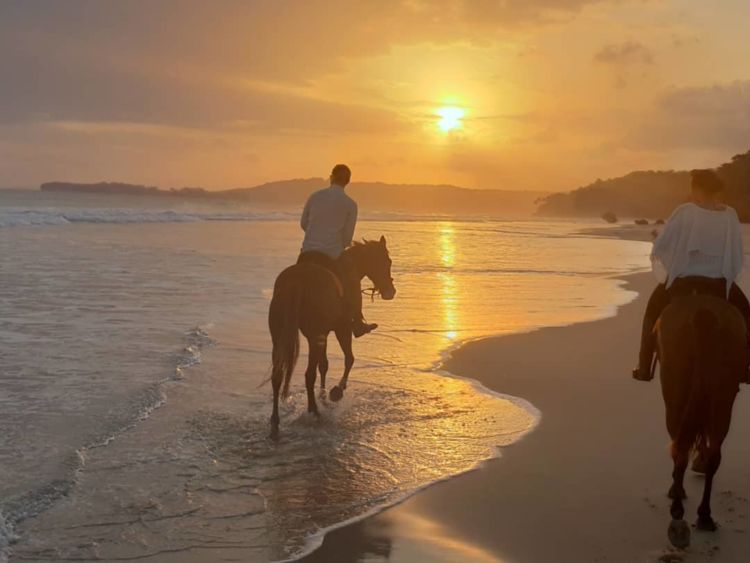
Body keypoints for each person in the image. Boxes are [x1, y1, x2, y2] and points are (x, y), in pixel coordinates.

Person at [633, 168, 750, 382]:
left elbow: (663, 246)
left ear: (696, 189)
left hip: (683, 283)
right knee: (746, 313)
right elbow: (734, 252)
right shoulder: (730, 215)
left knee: (652, 311)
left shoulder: (685, 212)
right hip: (718, 284)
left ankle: (643, 366)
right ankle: (746, 367)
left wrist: (657, 241)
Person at [299, 164, 377, 338]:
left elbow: (304, 224)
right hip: (332, 255)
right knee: (353, 281)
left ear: (331, 177)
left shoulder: (315, 196)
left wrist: (316, 237)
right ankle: (357, 324)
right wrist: (332, 243)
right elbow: (347, 238)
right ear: (347, 182)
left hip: (307, 253)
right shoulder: (350, 204)